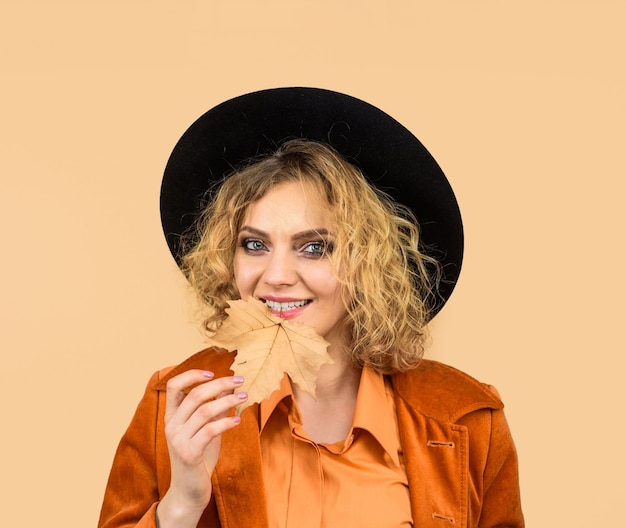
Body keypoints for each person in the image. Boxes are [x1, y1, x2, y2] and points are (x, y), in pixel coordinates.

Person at [98, 88, 524, 528]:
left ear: (368, 263)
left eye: (314, 247)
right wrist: (182, 505)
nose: (277, 274)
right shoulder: (176, 405)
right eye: (255, 244)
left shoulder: (468, 419)